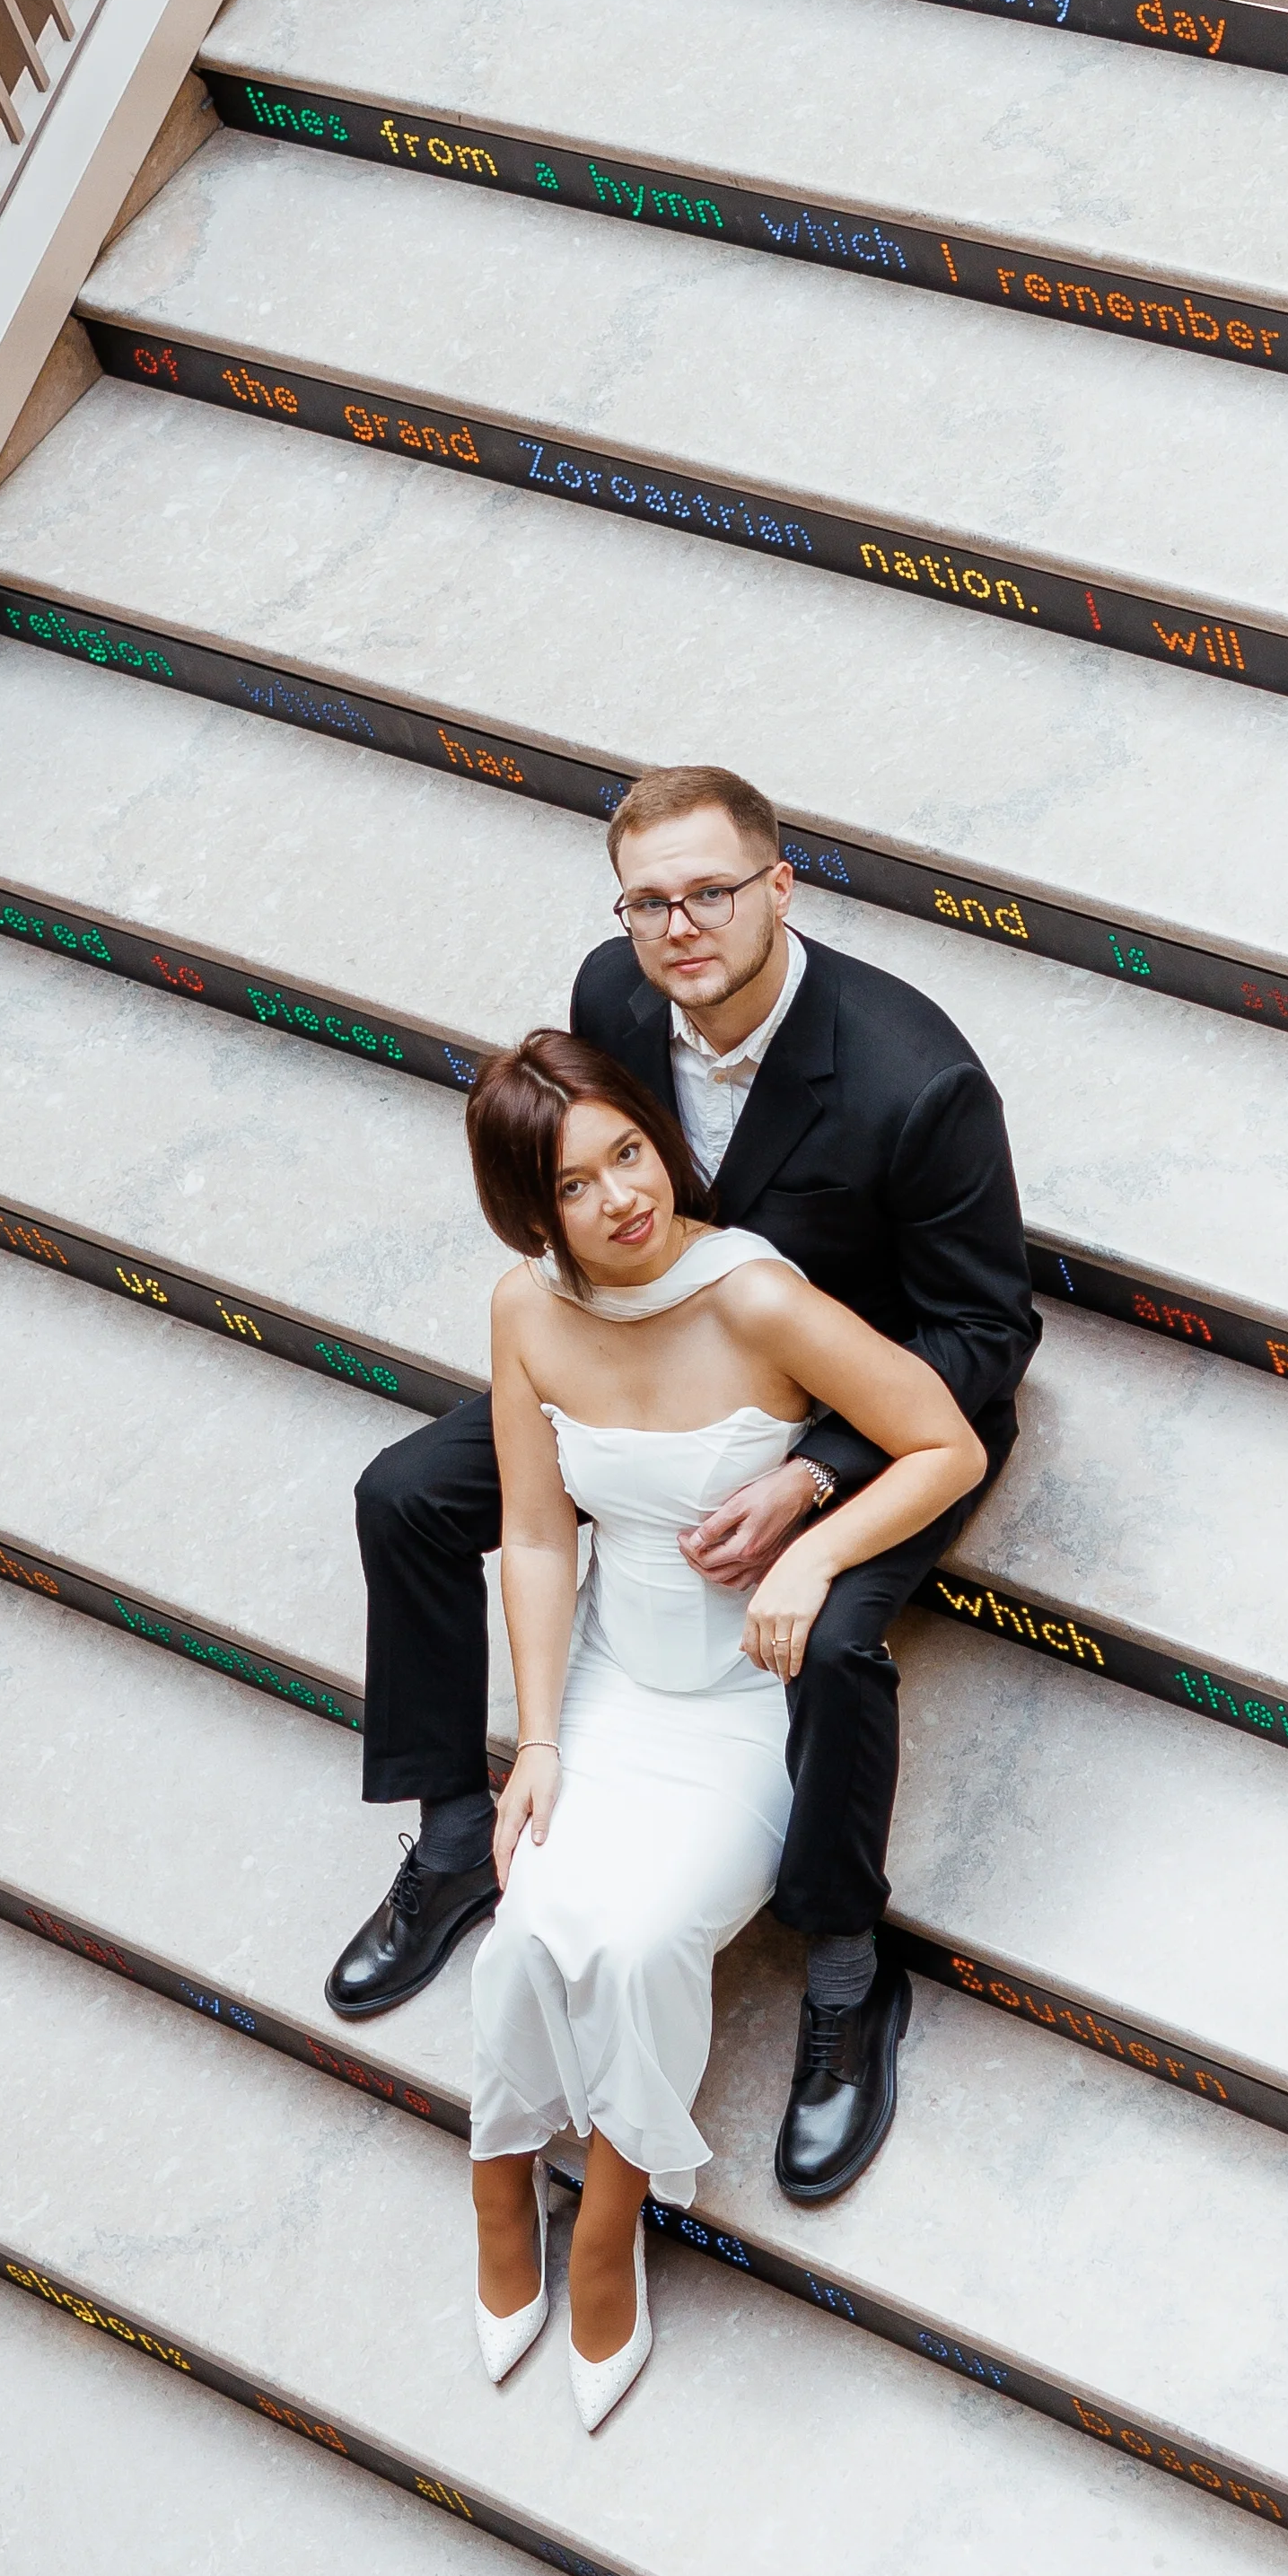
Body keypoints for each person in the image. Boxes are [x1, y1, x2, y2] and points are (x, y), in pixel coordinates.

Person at [329, 761, 1039, 2205]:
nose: (679, 928)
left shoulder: (916, 1078)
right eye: (648, 903)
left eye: (711, 892)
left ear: (780, 885)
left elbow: (984, 1333)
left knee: (834, 1643)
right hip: (657, 1351)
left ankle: (847, 1969)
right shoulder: (614, 996)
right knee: (404, 1494)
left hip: (856, 1405)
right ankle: (458, 1835)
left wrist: (814, 1477)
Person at [457, 1030, 984, 2426]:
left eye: (629, 1153)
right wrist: (538, 1742)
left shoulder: (752, 1294)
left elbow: (946, 1443)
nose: (621, 1198)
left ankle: (608, 2213)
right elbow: (534, 1532)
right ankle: (498, 2178)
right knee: (528, 1926)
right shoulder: (523, 1310)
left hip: (748, 1702)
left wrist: (815, 1551)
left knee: (639, 1945)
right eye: (573, 1187)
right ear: (528, 1213)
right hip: (611, 1684)